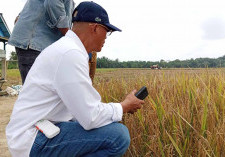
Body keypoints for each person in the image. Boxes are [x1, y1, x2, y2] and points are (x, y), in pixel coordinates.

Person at [6, 1, 144, 157]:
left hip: (34, 131)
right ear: (95, 28)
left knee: (103, 126)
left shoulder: (67, 49)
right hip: (32, 139)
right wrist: (124, 106)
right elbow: (90, 117)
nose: (107, 37)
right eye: (108, 31)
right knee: (117, 136)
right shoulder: (70, 54)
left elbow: (83, 111)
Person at [8, 0, 75, 84]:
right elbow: (53, 2)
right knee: (35, 90)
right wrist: (70, 37)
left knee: (36, 89)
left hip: (30, 40)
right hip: (34, 43)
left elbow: (17, 20)